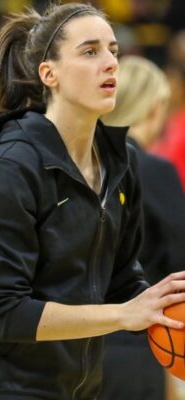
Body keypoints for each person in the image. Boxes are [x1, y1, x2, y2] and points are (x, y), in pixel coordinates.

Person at [0, 3, 185, 400]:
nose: (110, 63)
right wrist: (123, 314)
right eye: (90, 52)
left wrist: (164, 308)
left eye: (113, 50)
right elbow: (2, 312)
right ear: (48, 74)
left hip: (87, 388)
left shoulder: (123, 161)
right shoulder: (5, 169)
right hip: (13, 391)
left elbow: (122, 283)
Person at [100, 55, 185, 400]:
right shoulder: (153, 170)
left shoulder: (74, 165)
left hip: (66, 349)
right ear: (154, 108)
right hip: (136, 346)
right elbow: (180, 265)